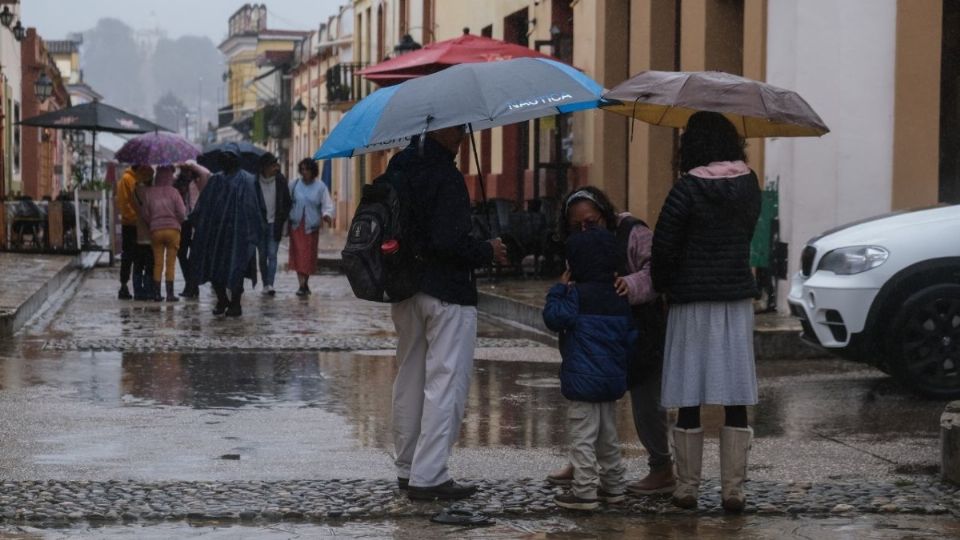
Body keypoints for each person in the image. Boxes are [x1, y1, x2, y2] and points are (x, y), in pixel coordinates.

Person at [388, 126, 508, 501]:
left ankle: (408, 468)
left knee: (409, 377)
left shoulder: (398, 168)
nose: (460, 137)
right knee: (446, 382)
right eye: (456, 130)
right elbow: (449, 241)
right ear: (438, 129)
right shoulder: (446, 176)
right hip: (447, 293)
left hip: (406, 290)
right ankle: (430, 474)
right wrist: (487, 250)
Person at [651, 111, 762, 513]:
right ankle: (733, 490)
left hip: (691, 300)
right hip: (734, 300)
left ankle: (687, 488)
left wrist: (663, 285)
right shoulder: (750, 184)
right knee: (735, 395)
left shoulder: (687, 188)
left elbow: (663, 246)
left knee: (689, 395)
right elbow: (747, 232)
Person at [547, 187, 675, 496]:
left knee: (646, 400)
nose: (584, 230)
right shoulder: (579, 241)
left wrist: (629, 285)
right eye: (576, 226)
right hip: (599, 328)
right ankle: (584, 464)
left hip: (640, 325)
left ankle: (661, 468)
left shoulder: (633, 231)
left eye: (590, 222)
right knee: (594, 407)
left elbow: (656, 270)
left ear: (604, 214)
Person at [543, 226, 636, 511]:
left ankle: (584, 491)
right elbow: (631, 336)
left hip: (583, 382)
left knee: (583, 437)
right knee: (608, 437)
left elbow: (554, 318)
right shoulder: (619, 295)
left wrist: (558, 289)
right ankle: (614, 488)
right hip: (611, 381)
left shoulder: (576, 295)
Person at [188, 143, 266, 317]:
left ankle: (235, 303)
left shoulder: (248, 180)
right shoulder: (216, 180)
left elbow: (255, 206)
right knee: (216, 270)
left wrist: (255, 230)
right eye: (224, 157)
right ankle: (222, 299)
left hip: (239, 233)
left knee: (237, 269)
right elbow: (204, 205)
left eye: (230, 156)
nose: (226, 160)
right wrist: (196, 220)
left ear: (236, 159)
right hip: (217, 234)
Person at [140, 165, 187, 302]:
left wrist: (153, 222)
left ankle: (156, 294)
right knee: (171, 263)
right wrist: (177, 221)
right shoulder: (174, 192)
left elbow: (144, 213)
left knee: (158, 263)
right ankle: (170, 294)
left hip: (156, 231)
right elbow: (182, 213)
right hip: (173, 230)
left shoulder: (150, 192)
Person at [288, 158, 334, 297]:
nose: (304, 172)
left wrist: (327, 214)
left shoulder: (320, 187)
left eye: (307, 169)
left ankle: (305, 282)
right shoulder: (294, 184)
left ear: (312, 170)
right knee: (298, 254)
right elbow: (287, 201)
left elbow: (327, 204)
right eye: (302, 169)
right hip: (296, 224)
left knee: (308, 256)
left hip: (311, 226)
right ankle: (301, 284)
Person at [173, 161, 211, 298]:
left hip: (197, 221)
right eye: (184, 169)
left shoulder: (199, 182)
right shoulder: (177, 183)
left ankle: (191, 287)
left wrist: (191, 165)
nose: (186, 171)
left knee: (194, 256)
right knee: (181, 254)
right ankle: (191, 284)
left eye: (187, 169)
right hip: (184, 222)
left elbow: (206, 173)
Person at [255, 153, 292, 296]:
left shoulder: (281, 180)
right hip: (260, 223)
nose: (275, 167)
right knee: (262, 256)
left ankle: (270, 284)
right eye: (272, 165)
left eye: (275, 164)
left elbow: (287, 201)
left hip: (275, 223)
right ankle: (265, 283)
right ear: (264, 167)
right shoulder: (256, 182)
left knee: (272, 254)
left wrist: (282, 218)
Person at [116, 165, 154, 299]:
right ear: (139, 169)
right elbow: (134, 202)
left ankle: (125, 286)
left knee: (128, 256)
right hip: (133, 223)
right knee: (135, 257)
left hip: (129, 222)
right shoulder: (130, 180)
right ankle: (127, 286)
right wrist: (141, 216)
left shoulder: (126, 178)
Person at [131, 170, 157, 301]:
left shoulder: (135, 191)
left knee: (138, 265)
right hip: (151, 235)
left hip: (139, 233)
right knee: (150, 265)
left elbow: (134, 207)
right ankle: (148, 291)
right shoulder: (153, 193)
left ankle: (137, 291)